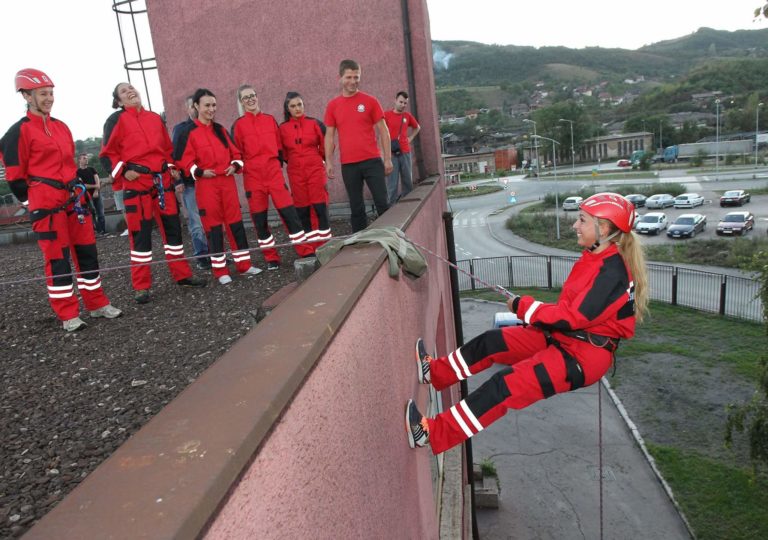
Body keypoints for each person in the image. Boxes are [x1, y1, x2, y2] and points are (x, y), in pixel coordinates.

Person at [405, 193, 649, 454]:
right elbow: (570, 314)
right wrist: (528, 308)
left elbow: (573, 316)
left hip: (580, 357)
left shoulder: (612, 273)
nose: (574, 226)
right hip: (567, 339)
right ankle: (436, 372)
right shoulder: (597, 257)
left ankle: (430, 434)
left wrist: (524, 307)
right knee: (493, 341)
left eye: (582, 220)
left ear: (604, 228)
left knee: (503, 387)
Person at [0, 68, 122, 331]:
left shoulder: (61, 127)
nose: (49, 98)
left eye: (51, 93)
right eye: (43, 94)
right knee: (58, 259)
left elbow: (70, 164)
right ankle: (68, 314)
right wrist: (30, 201)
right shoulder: (16, 133)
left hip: (73, 198)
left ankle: (97, 303)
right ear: (27, 96)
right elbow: (14, 175)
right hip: (46, 201)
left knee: (87, 251)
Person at [100, 82, 207, 304]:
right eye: (123, 91)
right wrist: (124, 171)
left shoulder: (154, 118)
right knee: (140, 238)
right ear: (118, 101)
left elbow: (167, 150)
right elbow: (107, 154)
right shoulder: (115, 120)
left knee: (174, 234)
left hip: (162, 183)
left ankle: (183, 276)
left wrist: (171, 168)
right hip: (136, 184)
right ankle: (141, 287)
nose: (130, 91)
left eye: (131, 88)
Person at [174, 88, 262, 284]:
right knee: (213, 228)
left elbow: (236, 154)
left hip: (227, 183)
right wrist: (199, 172)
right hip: (206, 185)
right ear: (196, 106)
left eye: (214, 105)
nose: (211, 109)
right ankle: (220, 271)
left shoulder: (220, 130)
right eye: (207, 105)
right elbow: (182, 161)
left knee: (236, 224)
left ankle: (244, 265)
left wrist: (234, 165)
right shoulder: (188, 132)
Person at [231, 85, 314, 269]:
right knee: (260, 221)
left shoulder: (270, 120)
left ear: (257, 97)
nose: (250, 99)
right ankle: (271, 258)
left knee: (290, 214)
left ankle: (305, 250)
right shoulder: (238, 125)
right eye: (246, 98)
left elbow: (279, 148)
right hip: (253, 178)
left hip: (273, 174)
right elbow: (237, 153)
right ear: (241, 102)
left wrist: (276, 166)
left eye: (252, 95)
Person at [324, 59, 392, 232]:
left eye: (356, 77)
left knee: (382, 203)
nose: (353, 81)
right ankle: (360, 242)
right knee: (356, 208)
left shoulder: (370, 101)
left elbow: (384, 131)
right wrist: (329, 162)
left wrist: (388, 159)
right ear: (340, 78)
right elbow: (329, 136)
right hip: (349, 165)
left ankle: (390, 238)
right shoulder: (333, 105)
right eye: (349, 77)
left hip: (372, 161)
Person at [279, 91, 332, 253]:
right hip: (296, 173)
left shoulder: (314, 123)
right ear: (287, 109)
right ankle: (310, 246)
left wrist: (321, 160)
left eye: (299, 104)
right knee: (302, 209)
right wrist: (296, 163)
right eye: (293, 106)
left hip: (315, 169)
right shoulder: (282, 128)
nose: (297, 108)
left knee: (320, 207)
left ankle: (325, 245)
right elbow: (283, 153)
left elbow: (327, 145)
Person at [171, 95, 210, 270]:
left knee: (212, 220)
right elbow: (176, 156)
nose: (196, 109)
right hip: (190, 183)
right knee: (196, 221)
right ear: (188, 109)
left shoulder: (210, 127)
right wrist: (177, 181)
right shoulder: (181, 129)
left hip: (209, 182)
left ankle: (216, 253)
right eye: (192, 106)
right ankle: (202, 256)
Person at [383, 91, 420, 206]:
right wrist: (383, 154)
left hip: (405, 152)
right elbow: (381, 134)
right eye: (401, 102)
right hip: (391, 154)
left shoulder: (407, 116)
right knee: (392, 183)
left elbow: (417, 127)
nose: (403, 105)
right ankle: (391, 207)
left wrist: (410, 138)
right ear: (395, 100)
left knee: (407, 180)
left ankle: (407, 205)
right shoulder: (386, 115)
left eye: (405, 103)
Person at [76, 153, 106, 236]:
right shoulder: (77, 172)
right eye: (84, 158)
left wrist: (96, 190)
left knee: (101, 213)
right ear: (79, 160)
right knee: (92, 213)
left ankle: (103, 231)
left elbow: (97, 181)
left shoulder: (92, 169)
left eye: (87, 158)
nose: (86, 159)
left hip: (97, 194)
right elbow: (83, 185)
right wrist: (95, 185)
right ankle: (96, 232)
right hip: (86, 197)